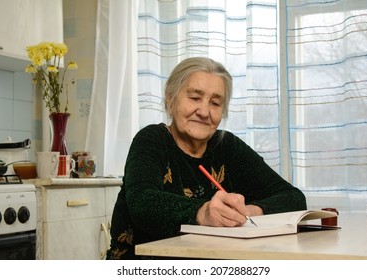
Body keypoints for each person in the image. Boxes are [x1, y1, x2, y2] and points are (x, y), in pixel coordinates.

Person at [107, 57, 307, 259]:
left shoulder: (227, 146)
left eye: (215, 103)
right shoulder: (151, 139)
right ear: (170, 98)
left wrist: (250, 212)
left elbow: (293, 198)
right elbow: (143, 203)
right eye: (194, 98)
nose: (204, 112)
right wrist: (202, 213)